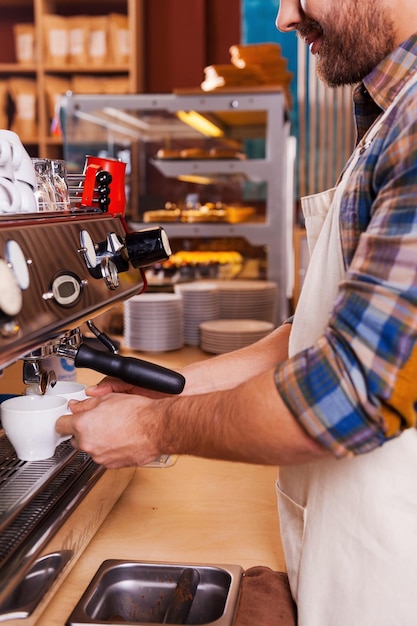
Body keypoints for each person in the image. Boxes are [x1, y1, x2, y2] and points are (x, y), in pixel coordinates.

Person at [57, 1, 417, 624]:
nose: (283, 17)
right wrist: (163, 391)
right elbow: (311, 338)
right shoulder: (387, 116)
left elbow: (343, 394)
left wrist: (151, 430)